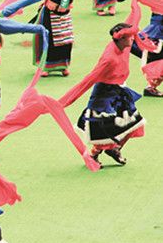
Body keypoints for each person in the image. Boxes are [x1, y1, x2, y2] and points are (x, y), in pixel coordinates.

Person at [59, 23, 146, 166]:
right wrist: (65, 101)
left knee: (135, 123)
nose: (133, 39)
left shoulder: (125, 45)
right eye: (130, 37)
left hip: (120, 91)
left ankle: (114, 149)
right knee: (103, 129)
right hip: (104, 96)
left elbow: (140, 49)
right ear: (121, 39)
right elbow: (89, 80)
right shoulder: (109, 59)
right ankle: (94, 154)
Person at [1, 0, 79, 76]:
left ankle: (63, 66)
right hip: (51, 15)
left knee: (65, 40)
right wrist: (8, 10)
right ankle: (45, 66)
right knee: (49, 40)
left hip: (64, 14)